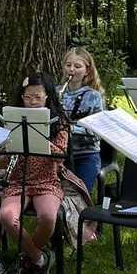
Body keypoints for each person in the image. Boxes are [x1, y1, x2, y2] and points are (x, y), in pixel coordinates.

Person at [0, 74, 68, 274]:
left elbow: (62, 154)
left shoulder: (59, 121)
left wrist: (41, 141)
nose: (32, 102)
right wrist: (4, 150)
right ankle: (39, 258)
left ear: (47, 97)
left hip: (46, 180)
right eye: (28, 97)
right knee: (7, 217)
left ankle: (28, 257)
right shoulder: (13, 121)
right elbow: (2, 163)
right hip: (18, 180)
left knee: (47, 217)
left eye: (37, 97)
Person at [59, 47, 105, 196]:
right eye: (68, 65)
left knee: (79, 196)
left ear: (87, 70)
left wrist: (70, 129)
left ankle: (83, 218)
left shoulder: (93, 96)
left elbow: (98, 132)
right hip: (60, 155)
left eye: (77, 66)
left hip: (86, 154)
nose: (71, 69)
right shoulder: (55, 92)